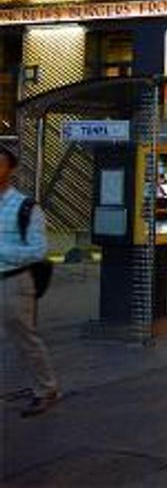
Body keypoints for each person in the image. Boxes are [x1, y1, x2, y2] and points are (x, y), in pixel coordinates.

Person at [0, 146, 61, 417]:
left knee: (25, 338)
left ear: (11, 169)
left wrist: (2, 252)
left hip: (13, 281)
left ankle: (46, 388)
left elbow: (38, 250)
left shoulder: (26, 207)